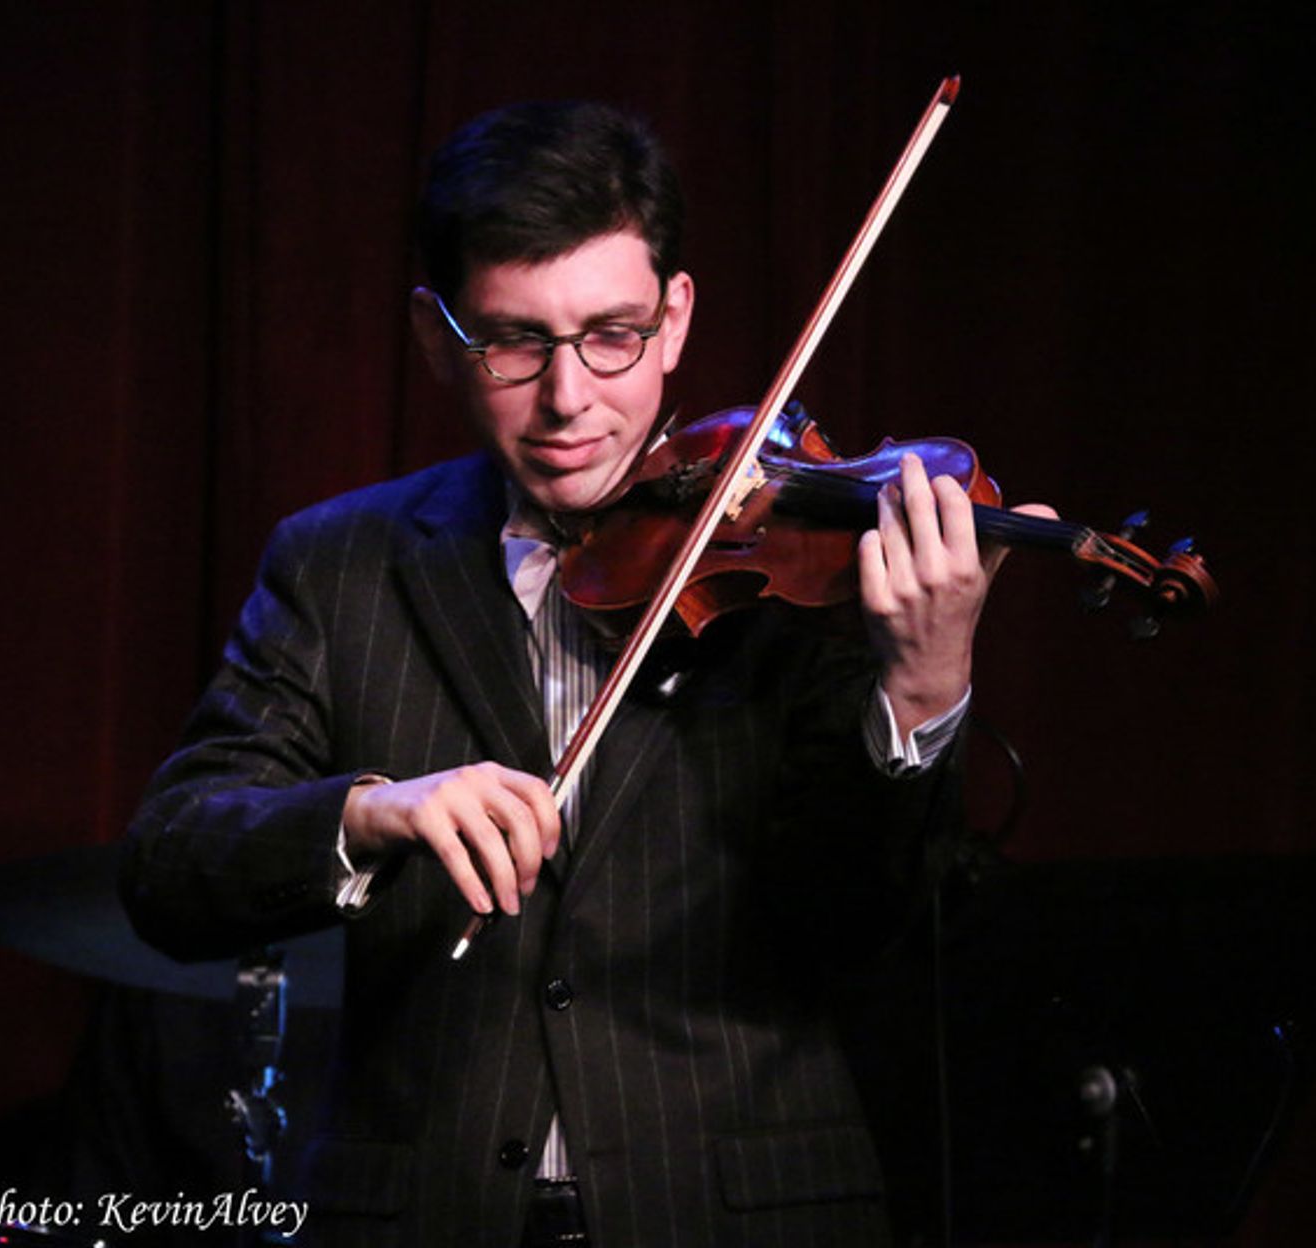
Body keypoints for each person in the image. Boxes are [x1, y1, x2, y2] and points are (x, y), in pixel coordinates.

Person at [122, 99, 1049, 1247]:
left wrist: (918, 687)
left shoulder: (804, 568)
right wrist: (369, 813)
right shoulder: (338, 564)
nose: (568, 400)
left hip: (735, 1214)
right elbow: (169, 867)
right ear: (433, 332)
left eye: (610, 334)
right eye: (513, 342)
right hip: (424, 1215)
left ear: (674, 320)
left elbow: (864, 928)